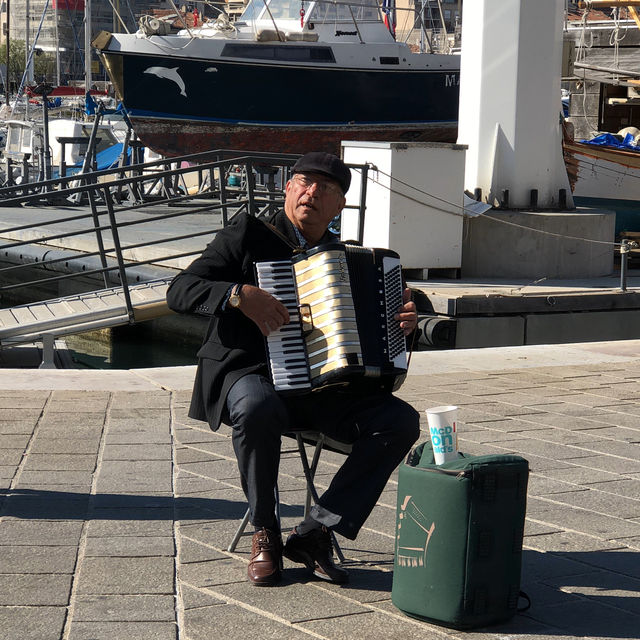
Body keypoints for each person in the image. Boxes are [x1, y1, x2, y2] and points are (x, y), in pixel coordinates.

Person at [166, 152, 420, 586]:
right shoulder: (247, 234)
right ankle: (266, 531)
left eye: (327, 189)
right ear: (288, 188)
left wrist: (409, 319)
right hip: (251, 374)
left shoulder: (343, 258)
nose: (313, 193)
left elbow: (388, 321)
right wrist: (239, 295)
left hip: (323, 391)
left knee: (400, 421)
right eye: (304, 182)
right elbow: (180, 289)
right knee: (257, 407)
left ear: (340, 206)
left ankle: (317, 530)